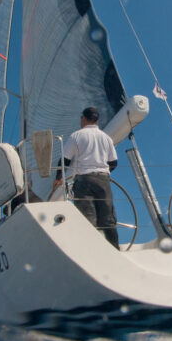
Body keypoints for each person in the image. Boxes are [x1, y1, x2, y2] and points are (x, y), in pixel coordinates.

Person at [53, 106, 119, 248]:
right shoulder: (106, 138)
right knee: (108, 218)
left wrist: (59, 178)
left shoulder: (77, 136)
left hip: (84, 181)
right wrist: (102, 173)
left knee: (88, 219)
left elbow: (65, 160)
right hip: (103, 180)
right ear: (96, 120)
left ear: (84, 118)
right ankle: (114, 249)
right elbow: (114, 163)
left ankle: (92, 251)